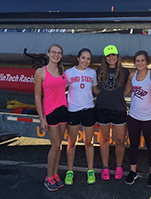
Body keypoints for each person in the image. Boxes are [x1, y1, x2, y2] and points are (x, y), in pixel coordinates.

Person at [34, 44, 68, 192]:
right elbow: (36, 96)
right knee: (54, 145)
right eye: (53, 52)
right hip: (51, 112)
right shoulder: (41, 72)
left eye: (59, 53)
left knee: (59, 145)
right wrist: (42, 118)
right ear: (48, 53)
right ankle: (48, 178)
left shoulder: (62, 71)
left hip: (63, 110)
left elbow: (63, 89)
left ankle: (55, 174)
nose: (56, 55)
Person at [64, 48, 99, 185]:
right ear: (78, 58)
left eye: (88, 58)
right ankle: (70, 171)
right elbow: (62, 89)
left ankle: (90, 171)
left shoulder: (92, 73)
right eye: (83, 58)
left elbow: (95, 90)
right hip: (73, 110)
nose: (86, 61)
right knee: (71, 143)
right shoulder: (68, 73)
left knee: (89, 142)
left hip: (89, 110)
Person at [124, 50, 151, 187]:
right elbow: (125, 91)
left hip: (149, 117)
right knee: (133, 145)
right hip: (133, 116)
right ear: (135, 63)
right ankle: (133, 172)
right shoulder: (132, 75)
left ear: (147, 62)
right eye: (137, 61)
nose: (140, 63)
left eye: (142, 60)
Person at [96, 45, 129, 180]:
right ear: (105, 58)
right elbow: (96, 89)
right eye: (108, 56)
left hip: (119, 110)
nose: (111, 58)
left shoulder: (125, 72)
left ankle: (119, 166)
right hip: (103, 109)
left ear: (117, 56)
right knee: (104, 140)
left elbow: (127, 89)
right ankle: (105, 167)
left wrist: (118, 96)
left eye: (113, 55)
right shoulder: (99, 71)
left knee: (120, 140)